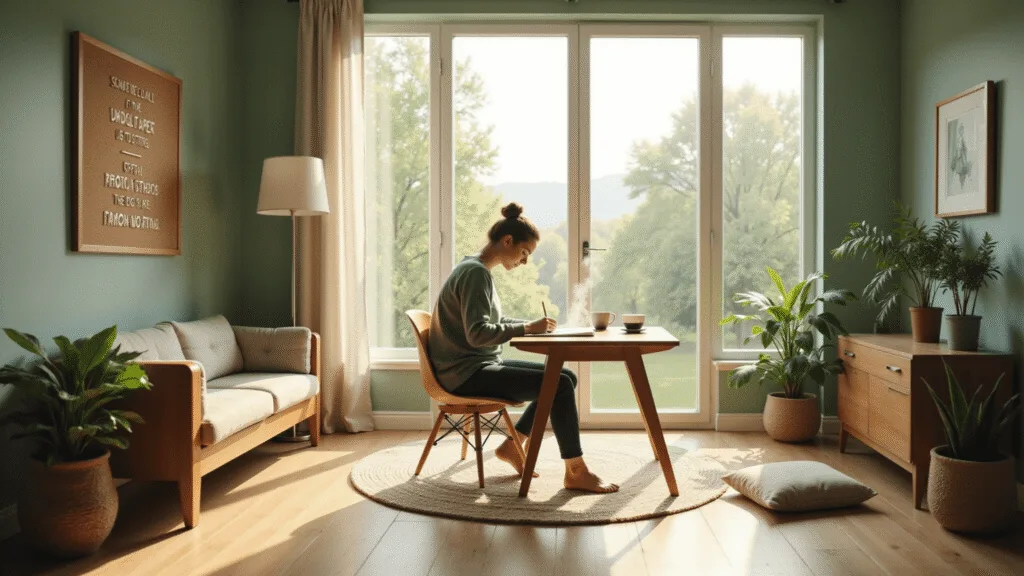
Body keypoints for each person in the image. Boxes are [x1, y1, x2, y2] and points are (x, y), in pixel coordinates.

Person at [428, 202, 618, 494]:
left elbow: (492, 322)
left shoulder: (475, 270)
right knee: (560, 385)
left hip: (472, 367)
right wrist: (528, 329)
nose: (525, 261)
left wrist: (530, 324)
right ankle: (576, 471)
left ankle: (512, 445)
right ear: (507, 241)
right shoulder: (475, 274)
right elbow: (478, 334)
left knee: (566, 377)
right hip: (465, 374)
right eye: (524, 252)